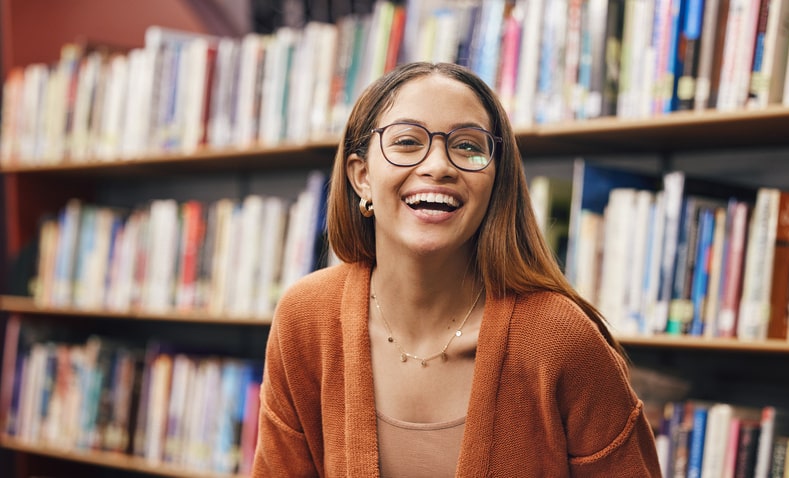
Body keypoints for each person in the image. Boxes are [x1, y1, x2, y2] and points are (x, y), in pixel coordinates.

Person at [252, 62, 662, 477]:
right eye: (408, 141)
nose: (439, 166)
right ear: (361, 177)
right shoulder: (305, 318)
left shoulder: (560, 339)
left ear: (495, 181)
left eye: (468, 146)